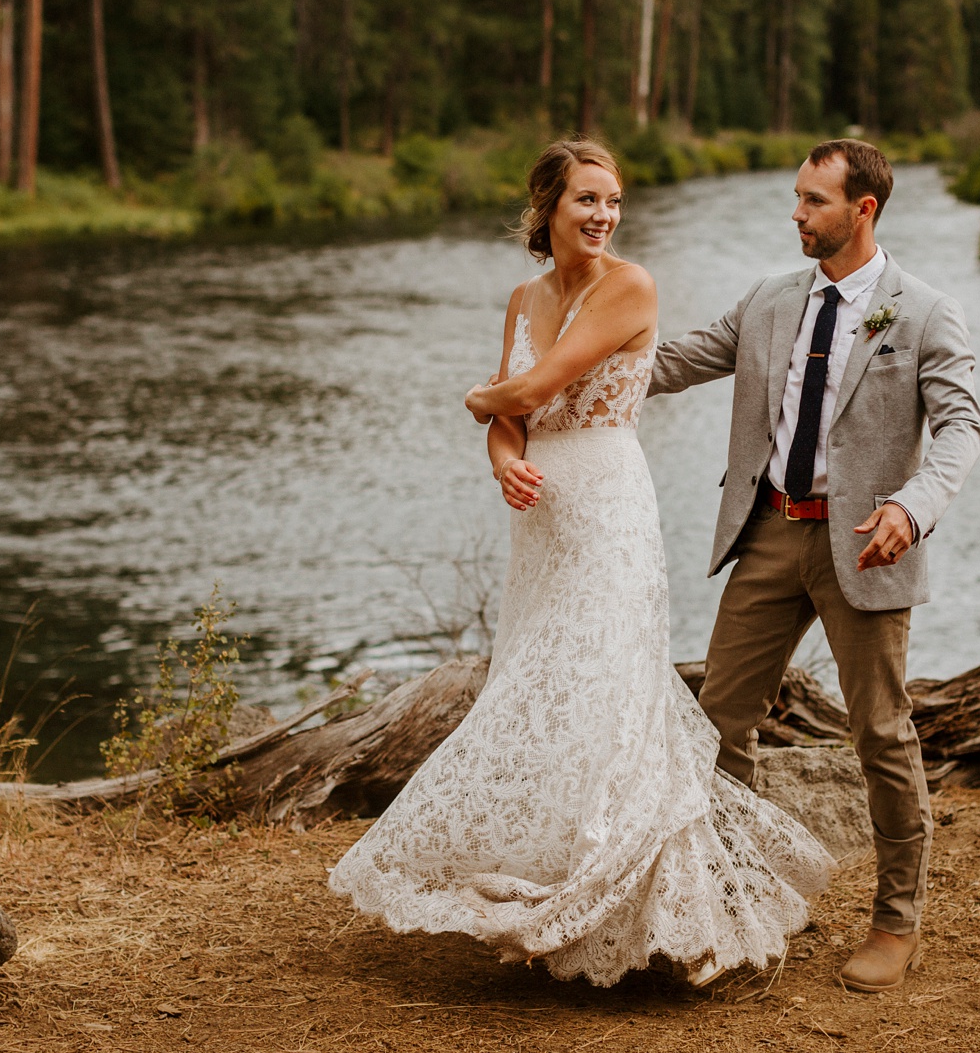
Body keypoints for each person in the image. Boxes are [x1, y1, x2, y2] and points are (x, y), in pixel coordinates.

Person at [327, 139, 833, 987]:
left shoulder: (630, 285)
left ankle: (628, 897)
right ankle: (552, 875)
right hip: (540, 521)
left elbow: (522, 393)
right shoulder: (524, 297)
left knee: (606, 685)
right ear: (547, 210)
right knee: (538, 682)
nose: (602, 216)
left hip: (606, 506)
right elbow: (511, 423)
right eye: (585, 201)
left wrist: (478, 399)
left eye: (613, 202)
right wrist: (501, 461)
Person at [650, 138, 980, 993]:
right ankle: (734, 895)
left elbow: (962, 428)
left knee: (879, 731)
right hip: (766, 533)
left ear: (862, 209)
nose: (795, 214)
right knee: (717, 720)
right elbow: (678, 360)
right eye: (797, 198)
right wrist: (563, 375)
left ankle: (896, 922)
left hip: (866, 546)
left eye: (813, 201)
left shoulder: (924, 313)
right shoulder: (767, 301)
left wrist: (912, 508)